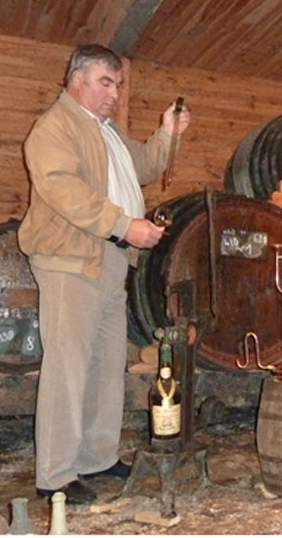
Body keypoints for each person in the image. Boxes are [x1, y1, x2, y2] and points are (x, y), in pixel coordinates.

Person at [18, 44, 190, 504]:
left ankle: (96, 456)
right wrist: (125, 225)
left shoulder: (107, 130)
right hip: (70, 259)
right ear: (77, 80)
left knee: (106, 366)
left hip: (112, 260)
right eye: (105, 83)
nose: (114, 93)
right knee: (68, 368)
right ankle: (54, 475)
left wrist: (167, 133)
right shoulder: (55, 127)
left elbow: (146, 167)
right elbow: (63, 191)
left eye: (118, 85)